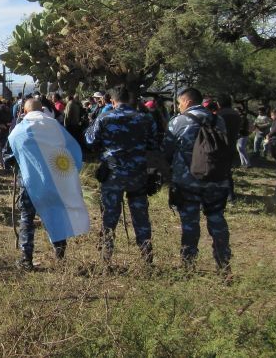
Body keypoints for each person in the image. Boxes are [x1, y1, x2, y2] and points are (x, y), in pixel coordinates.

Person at [3, 99, 90, 269]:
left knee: (27, 218)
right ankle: (60, 255)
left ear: (24, 111)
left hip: (29, 184)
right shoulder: (56, 127)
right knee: (57, 213)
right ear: (42, 109)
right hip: (56, 181)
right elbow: (71, 148)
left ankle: (26, 258)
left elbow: (8, 157)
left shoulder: (19, 130)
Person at [86, 86, 158, 264]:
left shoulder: (105, 117)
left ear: (112, 100)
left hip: (113, 173)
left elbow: (90, 140)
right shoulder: (145, 119)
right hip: (138, 174)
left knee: (109, 216)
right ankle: (146, 257)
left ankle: (105, 258)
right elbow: (154, 144)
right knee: (140, 216)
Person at [164, 88, 231, 274]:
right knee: (217, 219)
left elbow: (167, 150)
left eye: (179, 103)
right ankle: (223, 263)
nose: (179, 106)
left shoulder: (179, 121)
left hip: (187, 181)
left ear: (187, 101)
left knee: (190, 223)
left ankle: (188, 264)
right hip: (216, 179)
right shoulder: (218, 120)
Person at [215, 94, 241, 202]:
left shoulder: (220, 115)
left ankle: (227, 195)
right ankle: (230, 195)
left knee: (219, 172)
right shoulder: (236, 114)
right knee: (227, 171)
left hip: (220, 146)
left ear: (219, 103)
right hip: (232, 145)